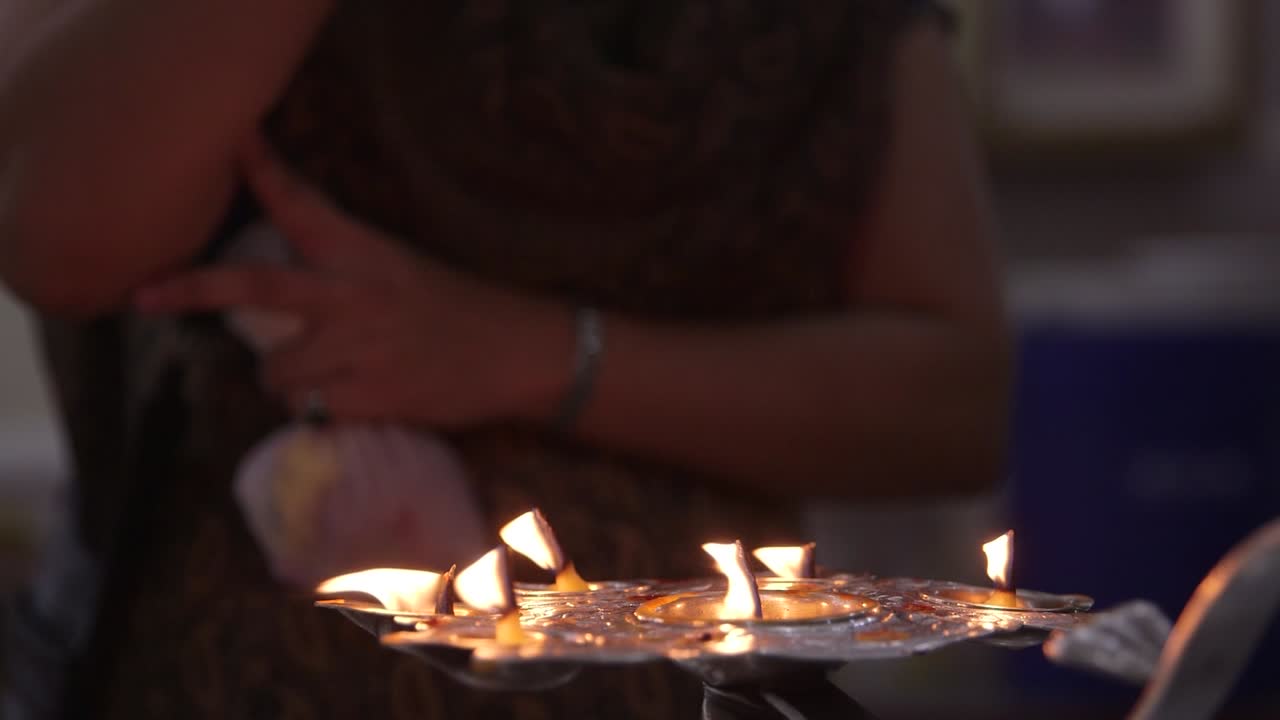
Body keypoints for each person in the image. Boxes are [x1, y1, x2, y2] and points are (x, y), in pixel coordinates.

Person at [0, 0, 1008, 717]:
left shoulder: (831, 31)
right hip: (240, 659)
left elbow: (953, 406)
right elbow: (52, 227)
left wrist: (529, 356)